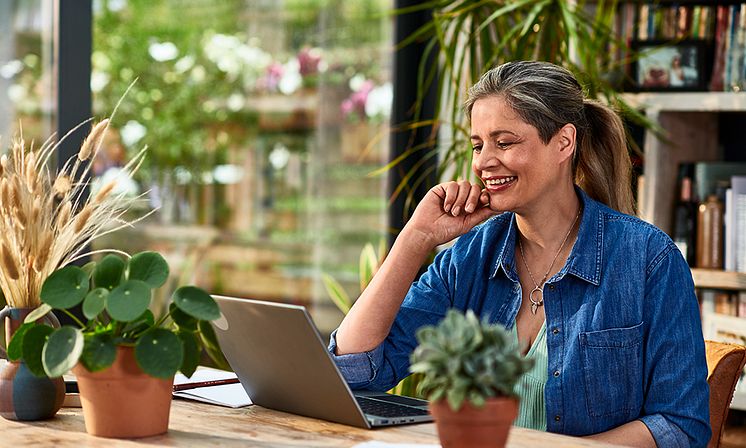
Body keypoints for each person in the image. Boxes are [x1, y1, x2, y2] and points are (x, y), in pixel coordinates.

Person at [328, 61, 711, 447]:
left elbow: (680, 425)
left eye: (505, 142)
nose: (483, 162)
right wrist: (416, 237)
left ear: (563, 142)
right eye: (478, 145)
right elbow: (354, 372)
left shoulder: (647, 258)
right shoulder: (470, 257)